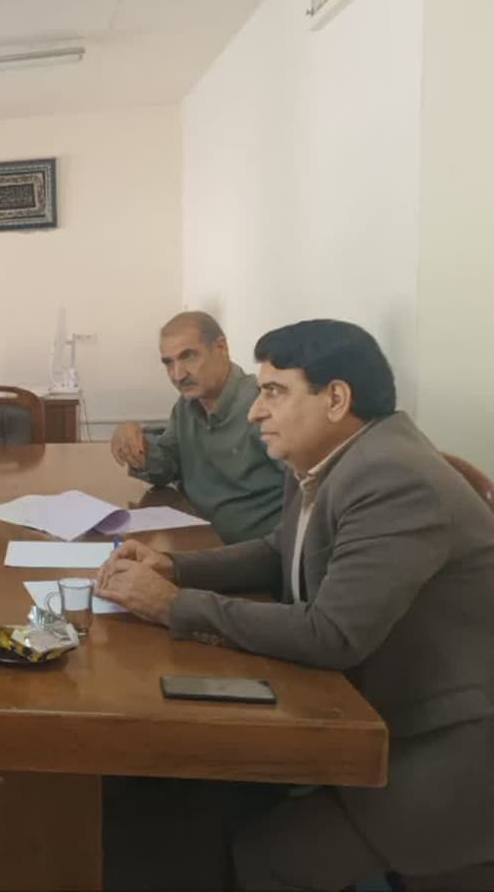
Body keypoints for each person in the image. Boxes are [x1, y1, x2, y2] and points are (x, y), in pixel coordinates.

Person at [97, 320, 494, 890]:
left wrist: (173, 605)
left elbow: (332, 634)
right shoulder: (327, 459)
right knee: (186, 803)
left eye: (275, 392)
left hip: (442, 746)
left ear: (336, 398)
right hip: (360, 710)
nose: (256, 412)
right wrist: (174, 567)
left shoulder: (394, 478)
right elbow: (277, 551)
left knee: (266, 857)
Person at [110, 311, 284, 543]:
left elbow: (307, 499)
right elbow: (167, 465)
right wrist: (137, 446)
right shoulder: (186, 406)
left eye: (189, 356)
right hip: (194, 540)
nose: (178, 375)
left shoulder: (264, 407)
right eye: (168, 363)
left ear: (221, 348)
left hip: (248, 553)